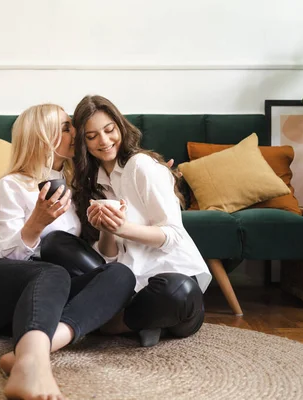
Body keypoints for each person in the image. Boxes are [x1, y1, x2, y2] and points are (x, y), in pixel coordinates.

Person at [0, 104, 136, 400]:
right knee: (52, 272)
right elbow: (6, 255)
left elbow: (85, 258)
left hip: (36, 305)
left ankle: (29, 352)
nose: (75, 133)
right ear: (42, 137)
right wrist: (36, 223)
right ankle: (33, 365)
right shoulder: (12, 185)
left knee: (120, 274)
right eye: (65, 127)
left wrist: (109, 222)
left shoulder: (73, 185)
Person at [43, 95, 212, 348]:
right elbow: (110, 260)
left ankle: (113, 324)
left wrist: (124, 228)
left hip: (169, 284)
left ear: (120, 126)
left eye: (109, 130)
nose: (104, 141)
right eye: (92, 136)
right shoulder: (94, 182)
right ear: (83, 143)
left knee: (178, 291)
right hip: (128, 286)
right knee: (55, 243)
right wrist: (107, 230)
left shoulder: (140, 166)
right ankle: (138, 322)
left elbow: (174, 235)